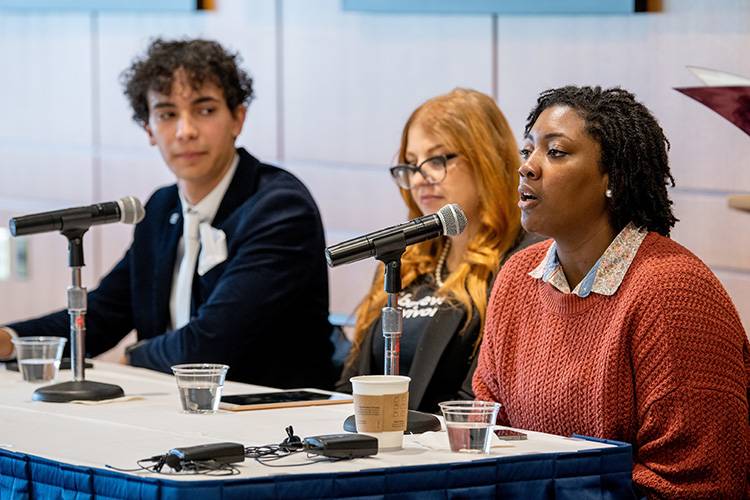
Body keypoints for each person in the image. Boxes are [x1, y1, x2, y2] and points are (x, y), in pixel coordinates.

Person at [0, 38, 335, 390]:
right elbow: (102, 315)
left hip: (271, 422)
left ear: (238, 118)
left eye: (205, 110)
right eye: (167, 114)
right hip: (173, 414)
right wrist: (9, 339)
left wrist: (130, 358)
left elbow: (211, 344)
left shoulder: (279, 209)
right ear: (148, 129)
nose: (185, 131)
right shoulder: (161, 208)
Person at [473, 85, 750, 498]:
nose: (527, 168)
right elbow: (489, 429)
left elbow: (700, 484)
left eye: (556, 152)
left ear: (612, 178)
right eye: (528, 150)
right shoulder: (517, 278)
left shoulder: (673, 293)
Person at [337, 88, 540, 413]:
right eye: (411, 164)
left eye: (437, 159)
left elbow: (484, 400)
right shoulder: (406, 258)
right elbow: (351, 381)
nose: (420, 178)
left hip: (449, 449)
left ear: (486, 159)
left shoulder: (523, 260)